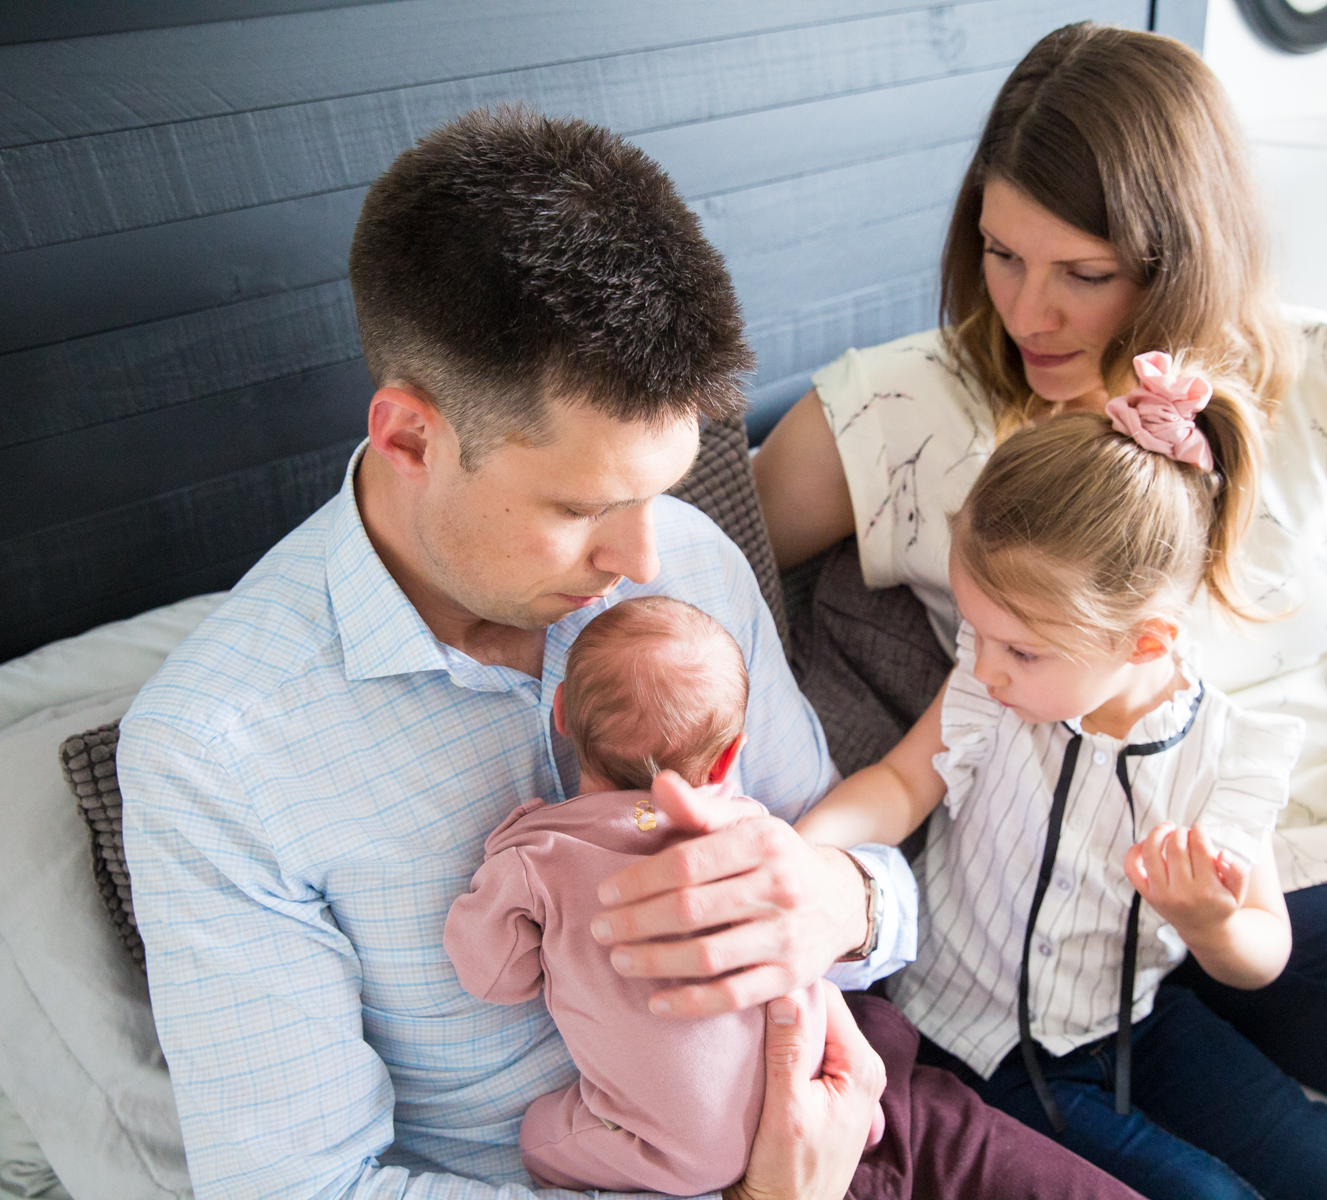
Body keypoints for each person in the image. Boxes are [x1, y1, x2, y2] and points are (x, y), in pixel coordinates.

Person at [752, 22, 1327, 1198]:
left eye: (1084, 274)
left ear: (1184, 255)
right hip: (1261, 870)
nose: (1029, 313)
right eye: (1002, 254)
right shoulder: (904, 410)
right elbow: (688, 543)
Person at [118, 108, 901, 1200]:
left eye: (659, 492)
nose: (642, 559)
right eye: (582, 508)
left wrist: (845, 904)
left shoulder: (687, 559)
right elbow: (304, 1191)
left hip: (859, 1106)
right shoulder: (215, 758)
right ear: (410, 438)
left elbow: (848, 856)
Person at [795, 363, 1327, 1199]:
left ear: (1146, 643)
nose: (986, 667)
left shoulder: (1228, 755)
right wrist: (800, 849)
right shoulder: (992, 687)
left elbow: (1265, 949)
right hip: (974, 1040)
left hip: (1130, 1020)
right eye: (978, 632)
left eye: (1021, 650)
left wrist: (1211, 923)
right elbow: (900, 786)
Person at [446, 595, 1141, 1200]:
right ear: (729, 758)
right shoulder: (750, 830)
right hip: (832, 1089)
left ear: (561, 715)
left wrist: (508, 865)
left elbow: (493, 976)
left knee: (539, 1137)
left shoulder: (540, 856)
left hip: (701, 1151)